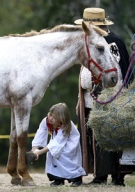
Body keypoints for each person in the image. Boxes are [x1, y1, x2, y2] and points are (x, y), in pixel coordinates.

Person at [75, 7, 134, 186]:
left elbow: (122, 70)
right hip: (87, 97)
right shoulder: (88, 42)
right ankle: (98, 174)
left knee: (110, 136)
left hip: (109, 96)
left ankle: (116, 175)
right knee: (91, 137)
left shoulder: (113, 42)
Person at [26, 103, 86, 187]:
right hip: (58, 144)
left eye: (54, 118)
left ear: (61, 119)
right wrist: (33, 151)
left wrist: (38, 153)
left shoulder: (65, 126)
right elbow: (40, 134)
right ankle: (58, 179)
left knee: (64, 157)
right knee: (52, 155)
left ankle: (76, 178)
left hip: (69, 144)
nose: (50, 118)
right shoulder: (46, 120)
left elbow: (56, 143)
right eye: (50, 115)